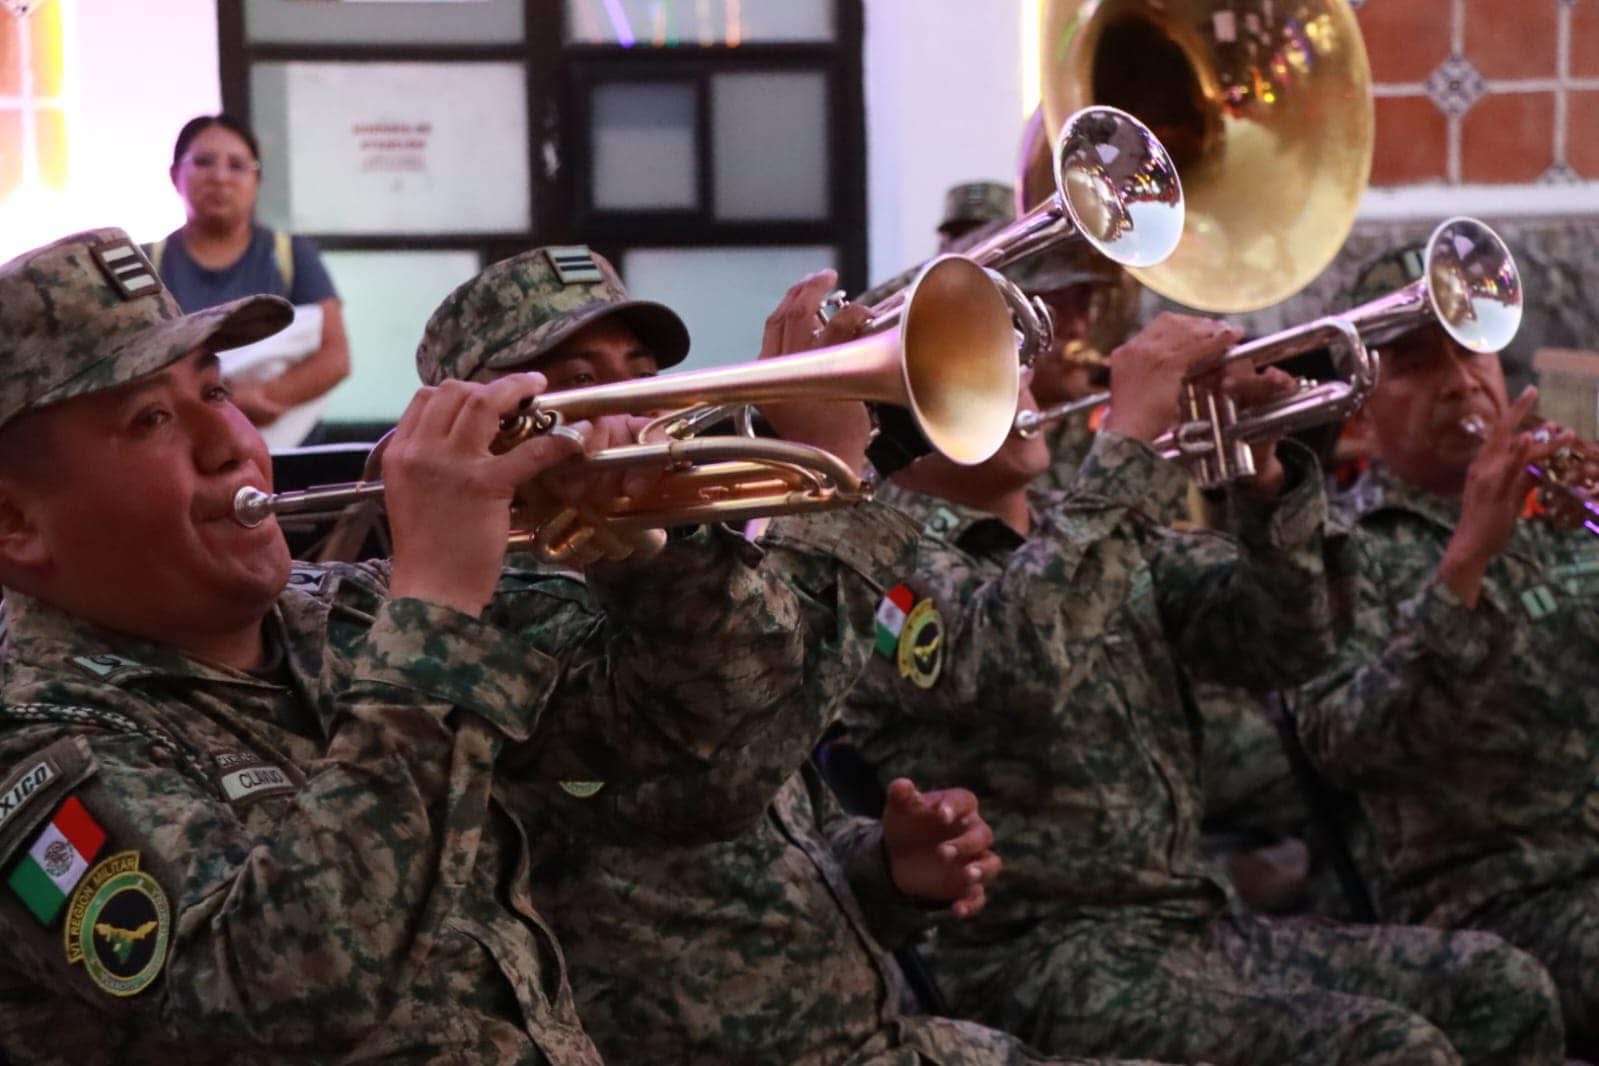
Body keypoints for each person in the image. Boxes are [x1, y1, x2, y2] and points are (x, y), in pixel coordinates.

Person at [0, 228, 928, 1062]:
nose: (231, 441)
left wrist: (652, 555)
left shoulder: (345, 616)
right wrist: (436, 604)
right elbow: (278, 993)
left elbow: (700, 743)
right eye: (151, 420)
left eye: (214, 390)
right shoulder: (36, 738)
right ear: (16, 525)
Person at [416, 243, 1173, 1066]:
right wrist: (844, 469)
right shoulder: (491, 611)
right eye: (575, 376)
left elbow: (745, 846)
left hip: (879, 1035)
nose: (627, 400)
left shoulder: (682, 554)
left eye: (638, 366)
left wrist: (884, 870)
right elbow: (713, 780)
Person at [842, 311, 1566, 1065]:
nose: (1023, 382)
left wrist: (1265, 483)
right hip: (1039, 960)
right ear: (906, 419)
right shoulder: (883, 568)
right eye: (985, 371)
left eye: (1016, 362)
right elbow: (1013, 668)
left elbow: (1285, 644)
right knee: (1387, 1048)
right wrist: (1126, 446)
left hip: (1192, 924)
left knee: (1498, 986)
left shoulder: (1096, 530)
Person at [1294, 244, 1599, 1055]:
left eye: (1470, 346)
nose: (1459, 380)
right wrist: (1463, 563)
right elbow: (1340, 744)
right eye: (1417, 362)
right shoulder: (1338, 550)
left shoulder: (1563, 506)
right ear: (1359, 409)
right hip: (1489, 902)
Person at [151, 114, 349, 442]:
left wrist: (268, 395)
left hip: (288, 460)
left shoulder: (292, 255)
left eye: (237, 165)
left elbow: (336, 356)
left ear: (257, 180)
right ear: (175, 175)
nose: (220, 177)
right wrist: (222, 400)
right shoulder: (146, 265)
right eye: (203, 162)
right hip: (184, 455)